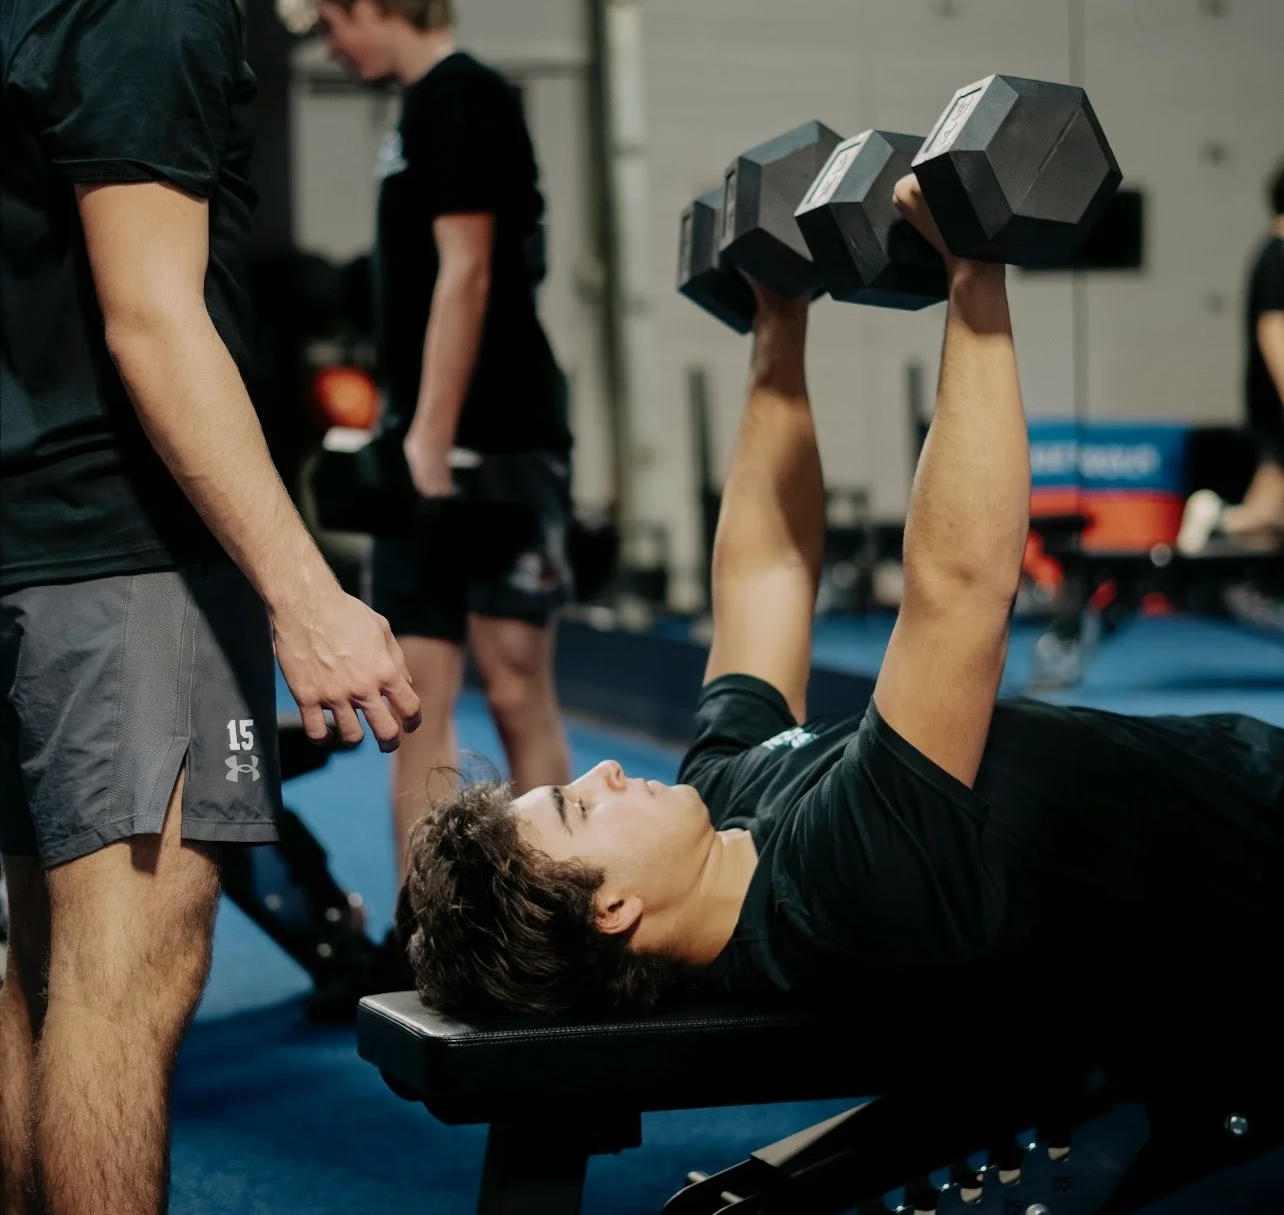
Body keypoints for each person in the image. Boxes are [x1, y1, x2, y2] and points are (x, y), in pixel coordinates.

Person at [0, 0, 420, 1215]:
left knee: (34, 983)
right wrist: (310, 591)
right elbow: (157, 323)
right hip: (117, 549)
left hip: (21, 540)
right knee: (126, 978)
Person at [400, 177, 1283, 1032]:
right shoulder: (841, 889)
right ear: (615, 911)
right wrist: (974, 270)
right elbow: (962, 591)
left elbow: (766, 577)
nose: (603, 773)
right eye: (581, 809)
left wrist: (778, 320)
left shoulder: (724, 807)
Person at [277, 0, 574, 881]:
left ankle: (562, 910)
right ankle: (428, 933)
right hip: (424, 444)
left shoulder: (464, 96)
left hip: (496, 443)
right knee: (414, 701)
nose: (333, 45)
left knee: (519, 689)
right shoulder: (412, 115)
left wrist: (430, 444)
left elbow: (469, 272)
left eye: (333, 23)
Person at [1178, 160, 1284, 552]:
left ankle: (1222, 526)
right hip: (1275, 406)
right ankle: (1219, 521)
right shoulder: (1277, 257)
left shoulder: (1270, 252)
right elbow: (1273, 330)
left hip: (1269, 405)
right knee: (1269, 507)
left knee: (1270, 507)